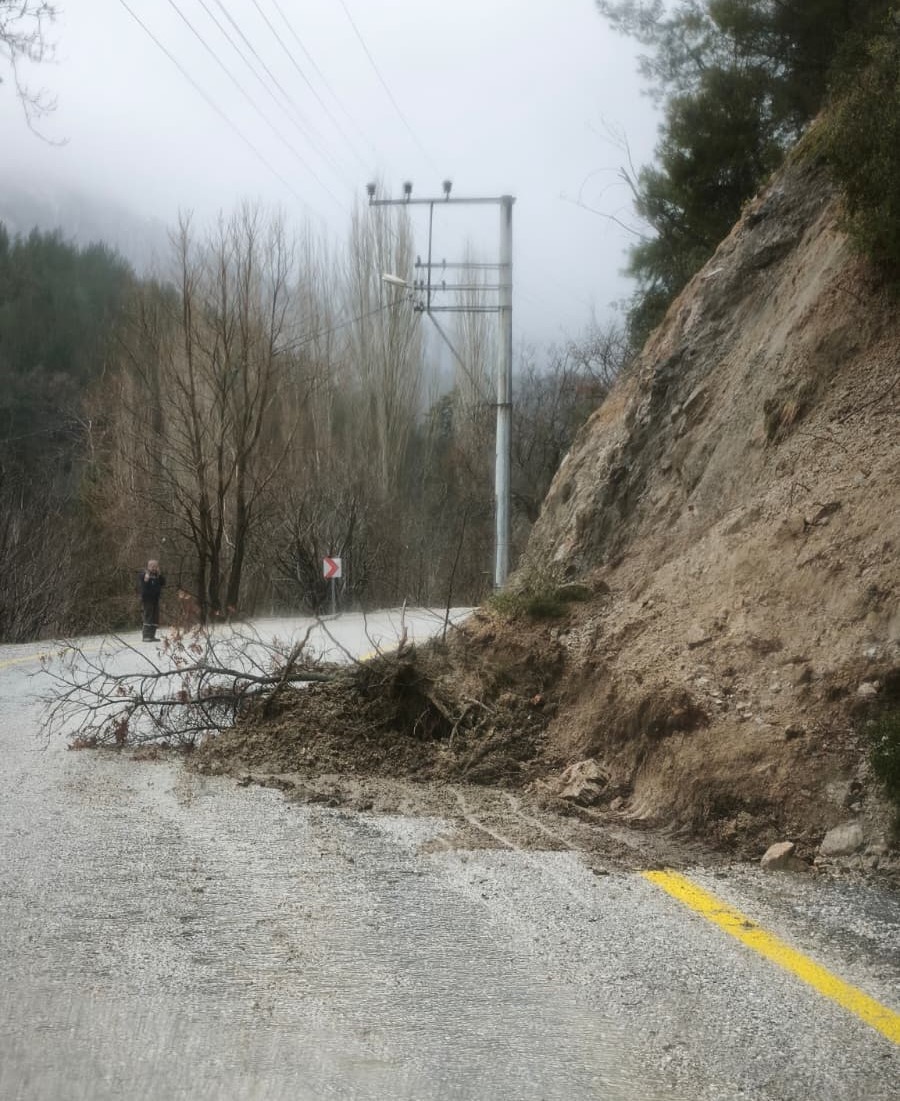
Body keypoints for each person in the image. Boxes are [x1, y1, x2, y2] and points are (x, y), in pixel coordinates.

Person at [138, 559, 165, 641]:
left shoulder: (157, 575)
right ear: (148, 566)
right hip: (147, 599)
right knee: (148, 616)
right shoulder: (144, 574)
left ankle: (152, 636)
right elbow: (142, 580)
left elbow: (163, 582)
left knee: (155, 617)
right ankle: (146, 636)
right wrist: (146, 578)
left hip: (155, 599)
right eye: (152, 566)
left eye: (156, 566)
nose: (154, 568)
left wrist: (159, 575)